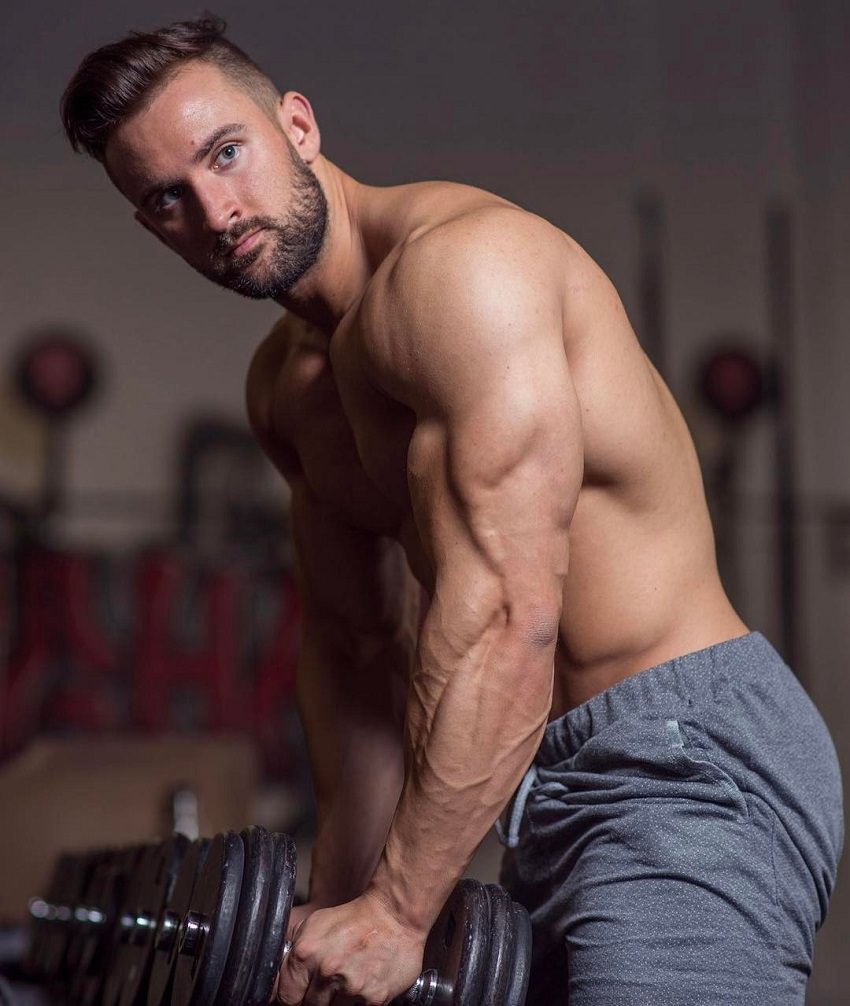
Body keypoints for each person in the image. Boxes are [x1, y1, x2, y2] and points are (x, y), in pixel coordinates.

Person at [61, 16, 843, 1006]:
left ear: (296, 124)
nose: (215, 208)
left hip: (680, 758)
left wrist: (396, 913)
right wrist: (337, 925)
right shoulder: (287, 391)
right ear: (149, 225)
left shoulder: (461, 277)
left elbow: (515, 613)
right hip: (530, 776)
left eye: (227, 152)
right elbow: (356, 668)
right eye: (168, 196)